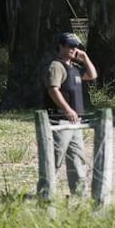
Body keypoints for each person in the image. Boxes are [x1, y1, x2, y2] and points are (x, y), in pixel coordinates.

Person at [38, 32, 98, 198]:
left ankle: (79, 195)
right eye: (70, 46)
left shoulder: (74, 68)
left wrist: (85, 59)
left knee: (77, 159)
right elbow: (53, 89)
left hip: (75, 123)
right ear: (61, 46)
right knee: (55, 158)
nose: (74, 49)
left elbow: (92, 75)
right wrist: (67, 110)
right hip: (60, 121)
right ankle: (45, 193)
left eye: (76, 46)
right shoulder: (56, 66)